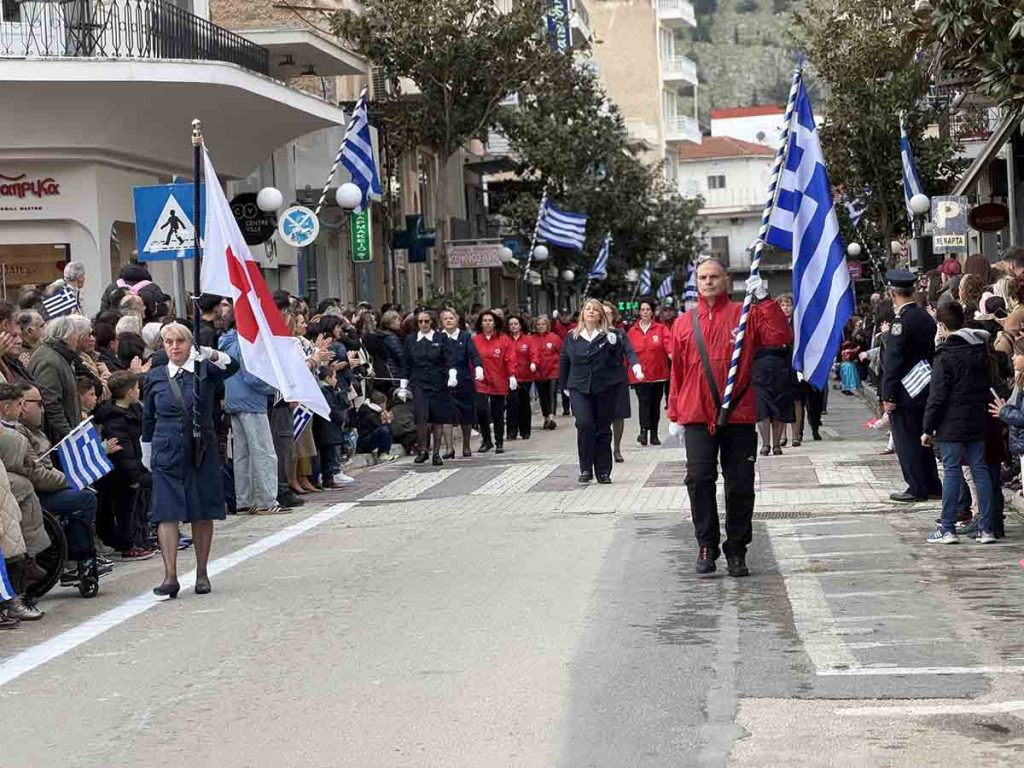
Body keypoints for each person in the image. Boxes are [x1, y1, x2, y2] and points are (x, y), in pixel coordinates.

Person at [666, 258, 792, 577]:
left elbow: (779, 336)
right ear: (696, 282)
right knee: (698, 480)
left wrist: (764, 300)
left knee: (740, 484)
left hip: (738, 414)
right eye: (703, 277)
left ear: (726, 280)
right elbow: (677, 371)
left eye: (714, 277)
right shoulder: (683, 323)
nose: (708, 282)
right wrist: (675, 412)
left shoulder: (744, 314)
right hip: (697, 415)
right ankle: (706, 545)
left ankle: (737, 548)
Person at [141, 322, 238, 598]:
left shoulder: (203, 370)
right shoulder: (156, 376)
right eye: (169, 342)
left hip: (200, 447)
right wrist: (146, 449)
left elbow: (233, 367)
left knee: (201, 509)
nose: (174, 347)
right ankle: (170, 576)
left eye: (180, 341)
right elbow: (148, 416)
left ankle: (202, 573)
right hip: (167, 447)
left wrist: (208, 353)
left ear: (190, 343)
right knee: (166, 511)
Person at [922, 303, 995, 544]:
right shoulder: (980, 349)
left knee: (952, 472)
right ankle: (986, 528)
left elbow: (937, 395)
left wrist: (927, 428)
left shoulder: (944, 355)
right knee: (980, 470)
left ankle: (948, 528)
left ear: (942, 326)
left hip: (950, 423)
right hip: (976, 418)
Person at [881, 269, 943, 503]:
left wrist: (888, 394)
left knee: (906, 440)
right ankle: (932, 483)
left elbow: (893, 360)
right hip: (925, 383)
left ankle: (916, 487)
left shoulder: (901, 322)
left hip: (904, 389)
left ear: (892, 292)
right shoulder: (924, 317)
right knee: (923, 437)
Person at [560, 298, 635, 484]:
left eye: (595, 309)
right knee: (585, 425)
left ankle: (603, 471)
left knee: (602, 428)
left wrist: (634, 366)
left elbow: (623, 353)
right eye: (587, 309)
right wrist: (564, 386)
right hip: (579, 386)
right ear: (582, 314)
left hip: (604, 387)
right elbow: (564, 360)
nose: (591, 312)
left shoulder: (611, 334)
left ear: (601, 314)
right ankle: (586, 468)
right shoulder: (573, 336)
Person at [218, 323, 283, 515]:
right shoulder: (247, 343)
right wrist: (276, 387)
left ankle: (244, 499)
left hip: (234, 399)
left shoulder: (227, 342)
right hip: (252, 401)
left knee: (242, 454)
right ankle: (266, 500)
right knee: (263, 451)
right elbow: (254, 377)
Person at [93, 371, 156, 560]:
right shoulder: (114, 420)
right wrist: (133, 476)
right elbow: (124, 453)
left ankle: (141, 537)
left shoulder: (134, 410)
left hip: (137, 465)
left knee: (139, 505)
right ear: (130, 392)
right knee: (126, 511)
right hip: (122, 474)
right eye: (136, 388)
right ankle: (128, 545)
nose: (138, 391)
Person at [400, 310, 456, 465]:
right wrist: (403, 386)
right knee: (421, 417)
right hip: (419, 383)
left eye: (426, 321)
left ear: (432, 322)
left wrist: (452, 375)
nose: (423, 324)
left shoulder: (441, 337)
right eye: (420, 321)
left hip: (438, 383)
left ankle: (436, 453)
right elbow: (406, 363)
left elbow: (449, 359)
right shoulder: (411, 340)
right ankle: (423, 449)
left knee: (437, 418)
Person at [26, 315, 83, 444]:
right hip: (55, 440)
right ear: (66, 336)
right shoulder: (49, 361)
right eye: (75, 334)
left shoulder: (58, 356)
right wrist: (68, 436)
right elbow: (51, 403)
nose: (77, 338)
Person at [472, 310, 517, 454]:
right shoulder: (476, 340)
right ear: (480, 323)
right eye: (484, 320)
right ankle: (486, 440)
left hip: (499, 380)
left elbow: (510, 358)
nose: (487, 323)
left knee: (497, 413)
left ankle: (499, 441)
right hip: (481, 380)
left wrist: (512, 375)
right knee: (481, 410)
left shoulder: (504, 340)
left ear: (495, 322)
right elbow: (471, 358)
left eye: (490, 320)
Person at [439, 308, 482, 458]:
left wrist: (478, 367)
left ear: (457, 320)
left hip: (464, 379)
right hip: (445, 381)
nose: (449, 321)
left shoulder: (465, 336)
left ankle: (466, 445)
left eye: (451, 318)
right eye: (445, 319)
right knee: (446, 414)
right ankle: (449, 448)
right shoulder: (438, 338)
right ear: (441, 322)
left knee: (466, 413)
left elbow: (474, 354)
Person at [602, 302, 642, 463]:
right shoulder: (593, 333)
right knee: (602, 415)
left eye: (609, 313)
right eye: (603, 313)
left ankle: (617, 448)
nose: (606, 316)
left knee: (619, 414)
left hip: (618, 376)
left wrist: (636, 366)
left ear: (614, 315)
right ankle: (603, 447)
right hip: (600, 378)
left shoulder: (620, 333)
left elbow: (629, 350)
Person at [627, 298, 670, 446]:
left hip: (658, 375)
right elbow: (628, 352)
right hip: (640, 376)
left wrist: (673, 356)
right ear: (639, 312)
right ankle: (643, 432)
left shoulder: (661, 329)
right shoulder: (632, 332)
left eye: (648, 310)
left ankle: (654, 434)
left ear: (652, 312)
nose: (645, 312)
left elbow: (668, 345)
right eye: (643, 310)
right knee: (644, 403)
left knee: (655, 404)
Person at [506, 315, 537, 441]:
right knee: (512, 403)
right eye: (511, 324)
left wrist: (534, 363)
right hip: (510, 377)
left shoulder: (528, 340)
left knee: (524, 403)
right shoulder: (505, 340)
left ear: (520, 325)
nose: (513, 326)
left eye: (515, 323)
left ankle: (525, 430)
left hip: (525, 376)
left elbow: (534, 353)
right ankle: (512, 431)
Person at [531, 315, 562, 431]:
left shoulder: (554, 338)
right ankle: (545, 417)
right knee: (543, 396)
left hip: (553, 370)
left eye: (543, 324)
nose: (541, 326)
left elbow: (561, 352)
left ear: (547, 325)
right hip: (538, 372)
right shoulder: (532, 339)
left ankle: (552, 417)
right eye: (538, 324)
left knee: (552, 393)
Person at [355, 391, 397, 463]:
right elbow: (380, 429)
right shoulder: (370, 414)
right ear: (382, 404)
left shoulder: (371, 411)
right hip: (364, 443)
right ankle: (382, 454)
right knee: (384, 430)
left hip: (367, 440)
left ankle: (385, 453)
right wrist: (386, 420)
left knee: (387, 428)